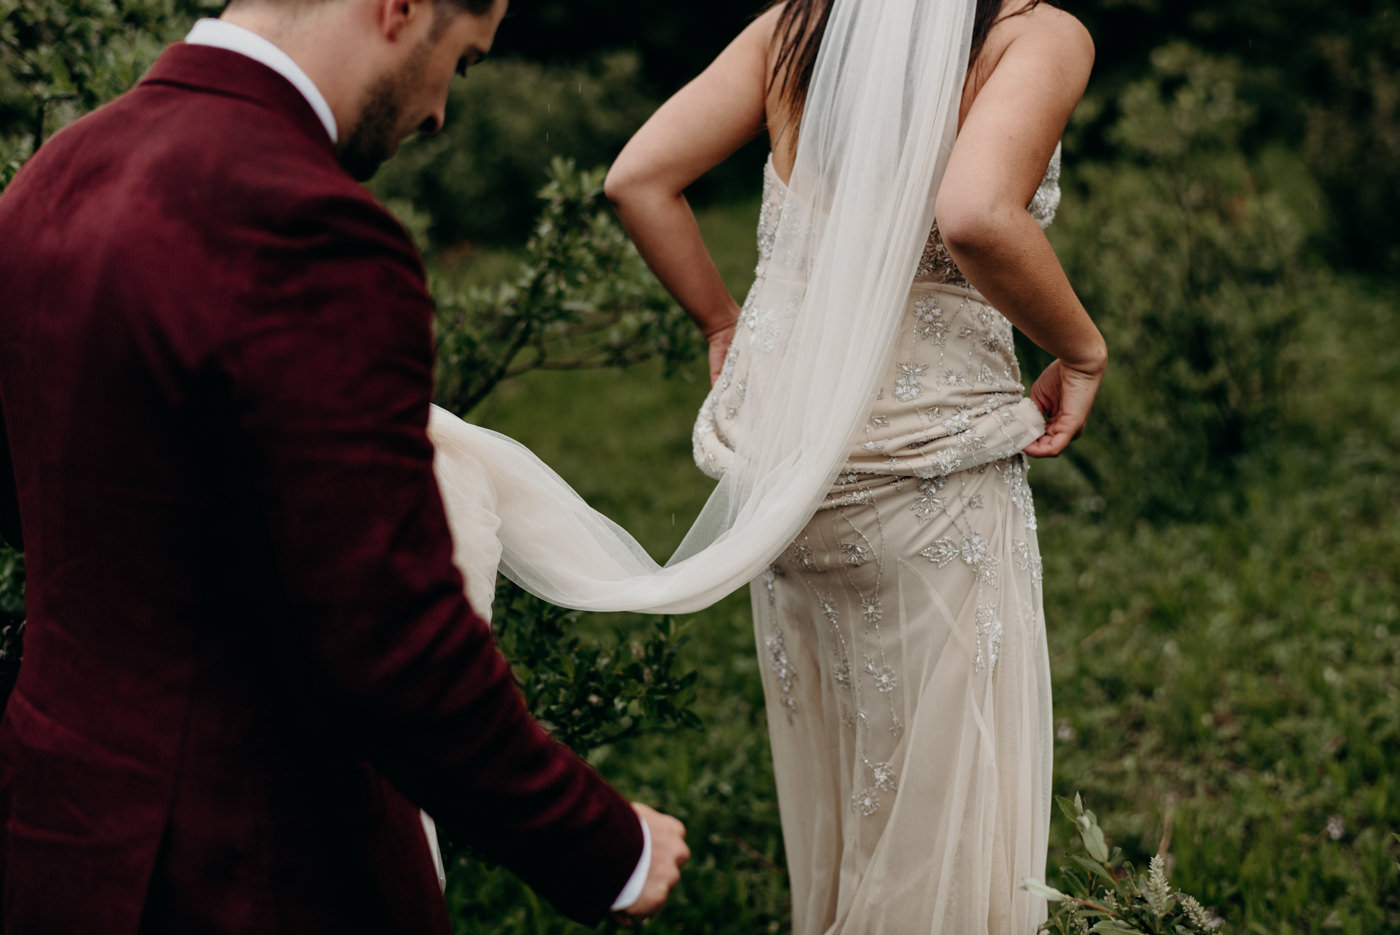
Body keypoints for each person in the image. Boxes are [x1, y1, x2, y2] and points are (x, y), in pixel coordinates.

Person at [0, 0, 688, 931]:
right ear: (399, 9)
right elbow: (391, 638)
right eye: (464, 60)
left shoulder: (53, 175)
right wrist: (607, 846)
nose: (442, 111)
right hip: (257, 863)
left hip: (62, 841)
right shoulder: (307, 226)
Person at [602, 0, 1104, 931]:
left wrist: (722, 321)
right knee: (943, 800)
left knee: (848, 768)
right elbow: (976, 215)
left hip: (787, 467)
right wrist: (1081, 350)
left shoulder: (798, 23)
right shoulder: (1035, 35)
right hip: (924, 471)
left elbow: (638, 177)